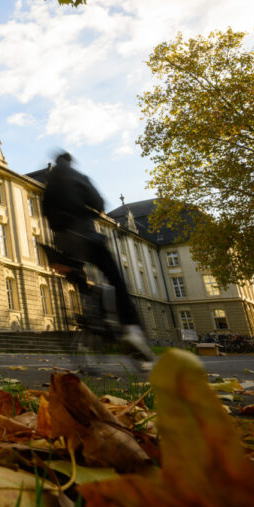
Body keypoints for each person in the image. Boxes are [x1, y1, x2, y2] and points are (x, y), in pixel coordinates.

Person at [43, 152, 155, 363]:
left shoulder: (50, 184)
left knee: (77, 276)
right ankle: (131, 330)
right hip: (86, 235)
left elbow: (46, 213)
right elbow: (98, 202)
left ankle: (88, 307)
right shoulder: (78, 177)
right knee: (116, 278)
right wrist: (92, 211)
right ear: (70, 162)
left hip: (64, 243)